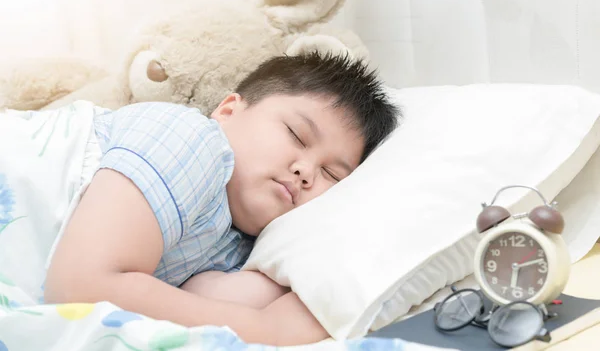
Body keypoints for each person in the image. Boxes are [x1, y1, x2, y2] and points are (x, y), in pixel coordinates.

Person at [1, 52, 399, 346]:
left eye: (332, 174)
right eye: (296, 134)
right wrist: (268, 331)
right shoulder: (191, 140)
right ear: (228, 110)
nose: (306, 171)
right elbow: (78, 289)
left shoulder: (238, 246)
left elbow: (193, 306)